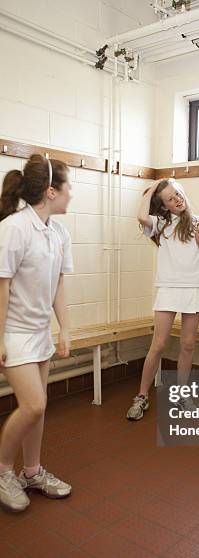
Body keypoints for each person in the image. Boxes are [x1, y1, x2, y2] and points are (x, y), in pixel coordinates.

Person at [0, 154, 73, 513]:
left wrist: (65, 330)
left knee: (37, 411)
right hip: (13, 332)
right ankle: (2, 473)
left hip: (41, 331)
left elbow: (59, 284)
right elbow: (1, 286)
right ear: (50, 191)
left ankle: (31, 471)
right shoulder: (14, 227)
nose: (71, 193)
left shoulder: (59, 232)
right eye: (68, 186)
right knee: (34, 405)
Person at [126, 178, 199, 421]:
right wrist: (151, 188)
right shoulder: (161, 224)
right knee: (158, 345)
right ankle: (142, 396)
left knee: (188, 345)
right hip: (168, 288)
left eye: (177, 194)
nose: (177, 200)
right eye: (170, 198)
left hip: (193, 289)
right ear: (165, 205)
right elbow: (141, 217)